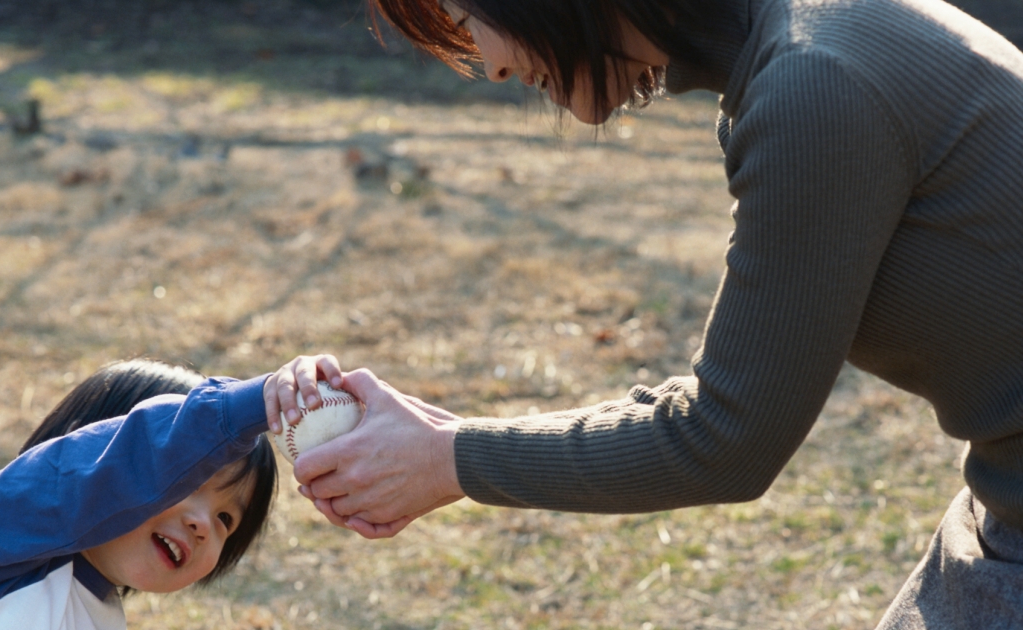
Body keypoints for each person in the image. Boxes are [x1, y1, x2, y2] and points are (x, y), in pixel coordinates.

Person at [264, 0, 1023, 626]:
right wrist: (440, 440)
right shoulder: (798, 50)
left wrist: (448, 460)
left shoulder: (815, 84)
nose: (488, 65)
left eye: (471, 20)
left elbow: (725, 439)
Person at [0, 358, 285, 630]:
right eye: (186, 480)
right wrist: (243, 408)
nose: (202, 524)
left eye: (226, 520)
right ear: (91, 448)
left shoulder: (100, 617)